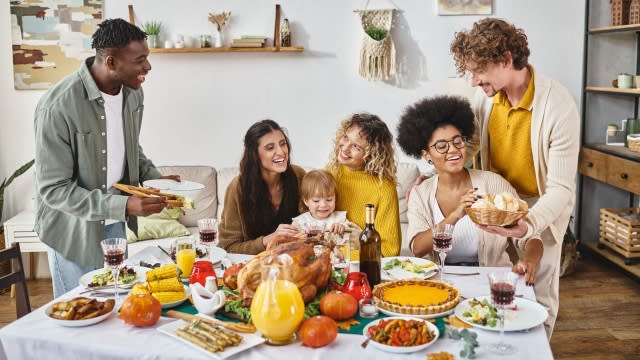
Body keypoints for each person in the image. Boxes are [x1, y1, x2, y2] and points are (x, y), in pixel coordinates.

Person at [450, 17, 580, 338]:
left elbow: (561, 188)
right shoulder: (486, 98)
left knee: (540, 293)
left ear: (506, 60)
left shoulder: (559, 106)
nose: (472, 80)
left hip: (542, 208)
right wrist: (435, 173)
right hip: (497, 200)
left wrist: (529, 223)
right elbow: (469, 146)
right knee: (496, 283)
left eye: (478, 71)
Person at [34, 19, 180, 298]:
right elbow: (54, 190)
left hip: (114, 221)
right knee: (79, 311)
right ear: (112, 62)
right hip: (72, 230)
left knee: (114, 304)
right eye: (140, 60)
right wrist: (125, 205)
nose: (148, 67)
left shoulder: (133, 95)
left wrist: (156, 178)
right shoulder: (58, 106)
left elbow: (129, 147)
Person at [397, 95, 543, 283]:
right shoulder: (421, 193)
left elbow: (531, 235)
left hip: (492, 280)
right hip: (441, 281)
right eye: (441, 146)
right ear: (427, 155)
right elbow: (418, 248)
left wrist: (529, 261)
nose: (453, 150)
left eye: (457, 141)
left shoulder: (493, 184)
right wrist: (455, 215)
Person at [218, 120, 306, 254]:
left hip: (292, 262)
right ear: (255, 155)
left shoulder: (298, 176)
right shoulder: (237, 188)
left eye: (283, 144)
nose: (281, 152)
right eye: (270, 148)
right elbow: (228, 246)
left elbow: (314, 222)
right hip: (253, 266)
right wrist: (267, 240)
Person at [327, 113, 401, 257]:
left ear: (372, 154)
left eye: (356, 146)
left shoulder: (384, 188)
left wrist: (344, 253)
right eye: (346, 137)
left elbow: (389, 251)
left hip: (360, 267)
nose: (345, 148)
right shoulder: (331, 172)